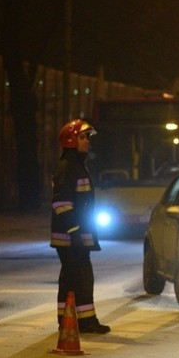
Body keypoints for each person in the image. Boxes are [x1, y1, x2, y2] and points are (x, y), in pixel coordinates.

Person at [51, 119, 110, 334]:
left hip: (76, 234)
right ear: (71, 140)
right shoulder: (68, 167)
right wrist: (74, 231)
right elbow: (61, 203)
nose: (87, 142)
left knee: (73, 278)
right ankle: (83, 322)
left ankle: (75, 320)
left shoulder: (76, 165)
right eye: (83, 137)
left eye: (87, 138)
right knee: (80, 277)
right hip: (71, 236)